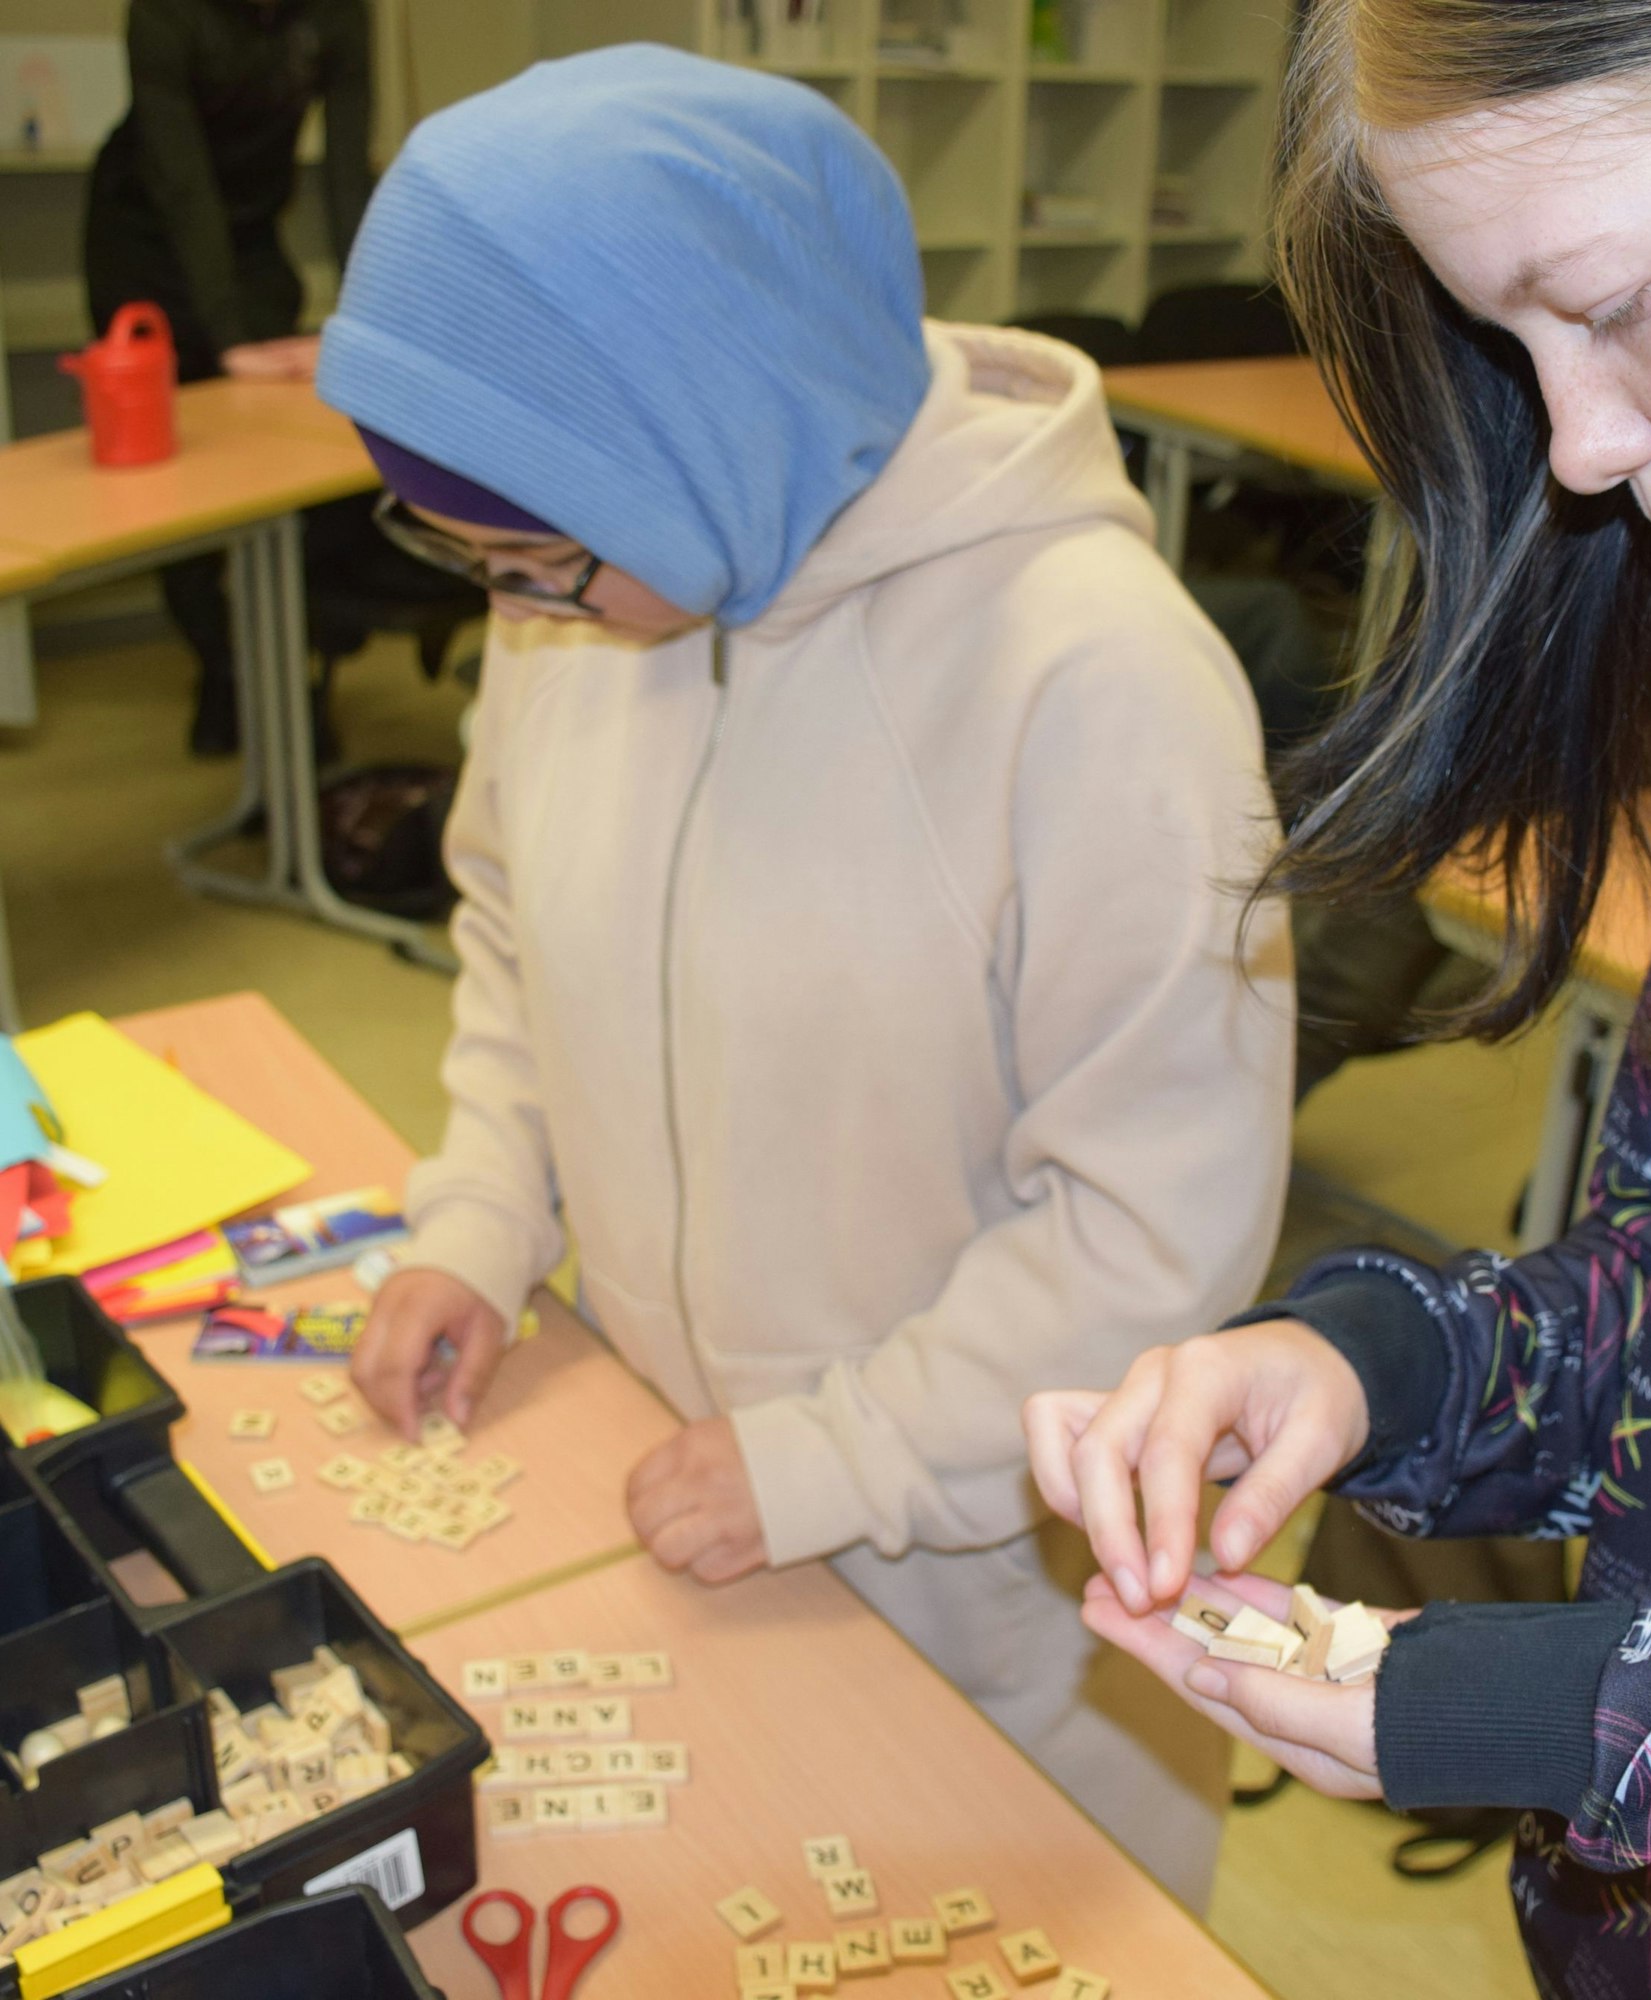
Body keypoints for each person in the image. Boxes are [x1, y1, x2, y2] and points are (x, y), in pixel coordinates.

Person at [1027, 1, 1651, 1990]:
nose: (1575, 447)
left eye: (1614, 301)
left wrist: (1595, 1721)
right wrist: (1384, 1370)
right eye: (1515, 348)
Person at [320, 47, 1295, 1906]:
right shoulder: (600, 591)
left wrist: (837, 1458)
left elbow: (1154, 1230)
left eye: (539, 557)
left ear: (707, 439)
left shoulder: (1102, 688)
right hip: (684, 1476)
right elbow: (521, 943)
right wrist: (477, 1218)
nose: (517, 611)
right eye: (476, 562)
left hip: (989, 1584)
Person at [85, 0, 373, 752]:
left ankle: (292, 671)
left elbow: (348, 171)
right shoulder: (166, 17)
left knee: (280, 458)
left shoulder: (339, 15)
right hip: (143, 238)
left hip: (248, 242)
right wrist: (228, 337)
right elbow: (181, 182)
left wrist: (374, 317)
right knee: (172, 471)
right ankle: (220, 667)